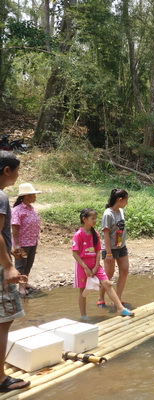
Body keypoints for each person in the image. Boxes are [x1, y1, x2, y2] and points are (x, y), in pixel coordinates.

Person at [0, 151, 30, 393]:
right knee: (3, 322)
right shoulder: (0, 196)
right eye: (16, 170)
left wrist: (11, 253)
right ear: (7, 171)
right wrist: (8, 265)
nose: (18, 175)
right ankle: (0, 379)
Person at [72, 208, 134, 319]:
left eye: (96, 218)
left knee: (108, 284)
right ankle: (83, 315)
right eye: (92, 218)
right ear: (84, 219)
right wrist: (85, 267)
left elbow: (97, 251)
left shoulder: (95, 233)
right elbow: (75, 253)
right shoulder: (78, 235)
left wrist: (96, 266)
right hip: (82, 266)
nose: (95, 221)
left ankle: (120, 309)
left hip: (95, 265)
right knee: (83, 291)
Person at [97, 189, 129, 308]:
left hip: (122, 246)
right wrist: (109, 253)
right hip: (110, 248)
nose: (126, 203)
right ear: (119, 200)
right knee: (108, 274)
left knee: (124, 271)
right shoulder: (108, 214)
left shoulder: (120, 211)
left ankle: (118, 299)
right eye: (126, 201)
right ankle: (101, 298)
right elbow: (106, 234)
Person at [11, 182, 42, 297]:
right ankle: (21, 287)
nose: (35, 197)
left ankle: (26, 282)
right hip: (21, 244)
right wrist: (17, 245)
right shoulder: (17, 210)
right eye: (33, 195)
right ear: (27, 196)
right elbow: (14, 227)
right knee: (20, 265)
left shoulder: (30, 208)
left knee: (28, 264)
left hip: (32, 242)